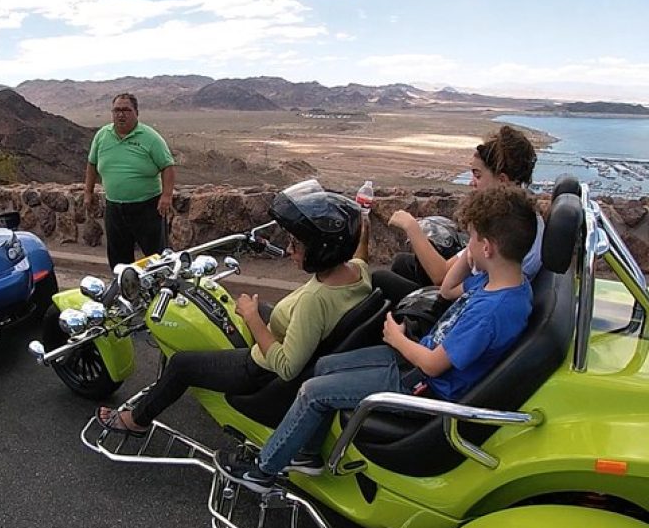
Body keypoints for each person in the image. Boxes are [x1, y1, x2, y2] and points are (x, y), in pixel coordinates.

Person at [214, 185, 537, 493]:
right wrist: (470, 254)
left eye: (473, 237)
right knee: (324, 366)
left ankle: (263, 471)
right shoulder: (503, 284)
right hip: (415, 364)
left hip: (423, 385)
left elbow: (435, 365)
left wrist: (396, 338)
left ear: (488, 247)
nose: (468, 243)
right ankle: (306, 454)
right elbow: (448, 290)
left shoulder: (492, 311)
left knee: (313, 392)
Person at [95, 181, 373, 436]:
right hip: (307, 342)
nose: (290, 250)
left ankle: (136, 421)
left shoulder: (316, 299)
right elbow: (361, 256)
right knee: (256, 307)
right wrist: (363, 227)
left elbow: (287, 368)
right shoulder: (358, 272)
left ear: (323, 250)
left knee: (182, 365)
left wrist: (252, 318)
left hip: (265, 370)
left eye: (297, 245)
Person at [373, 125, 542, 305]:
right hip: (472, 289)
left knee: (380, 279)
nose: (471, 183)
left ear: (502, 181)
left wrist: (411, 227)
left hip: (466, 302)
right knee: (403, 263)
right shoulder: (525, 217)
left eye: (478, 175)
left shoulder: (500, 227)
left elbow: (441, 277)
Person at [84, 92, 176, 269]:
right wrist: (88, 192)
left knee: (157, 257)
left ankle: (161, 292)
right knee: (119, 259)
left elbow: (168, 166)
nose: (121, 114)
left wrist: (166, 196)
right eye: (117, 110)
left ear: (136, 112)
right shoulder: (102, 135)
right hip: (114, 208)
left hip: (147, 207)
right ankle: (125, 292)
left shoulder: (150, 137)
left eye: (126, 110)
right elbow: (92, 164)